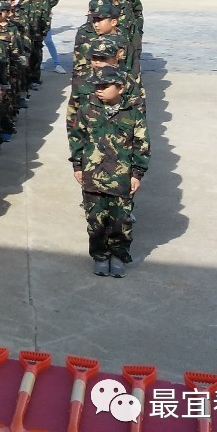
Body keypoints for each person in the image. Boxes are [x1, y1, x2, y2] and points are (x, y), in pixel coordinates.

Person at [67, 66, 149, 278]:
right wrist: (77, 165)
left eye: (105, 86)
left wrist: (137, 173)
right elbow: (77, 138)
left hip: (120, 178)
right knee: (95, 219)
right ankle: (100, 255)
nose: (100, 91)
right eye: (97, 87)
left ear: (120, 88)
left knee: (121, 220)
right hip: (93, 176)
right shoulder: (87, 110)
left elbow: (142, 144)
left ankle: (119, 255)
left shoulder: (132, 113)